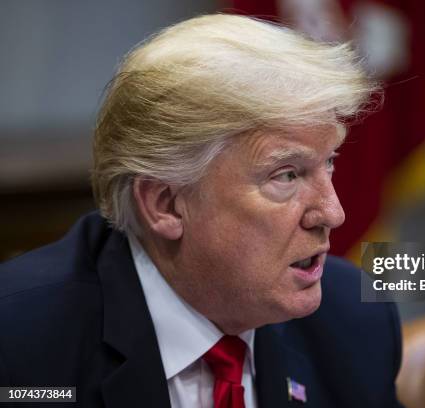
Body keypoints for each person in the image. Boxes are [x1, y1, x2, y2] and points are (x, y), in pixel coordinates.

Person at [0, 14, 403, 408]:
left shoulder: (354, 319)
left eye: (329, 162)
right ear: (166, 205)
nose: (333, 213)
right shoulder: (19, 344)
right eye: (287, 175)